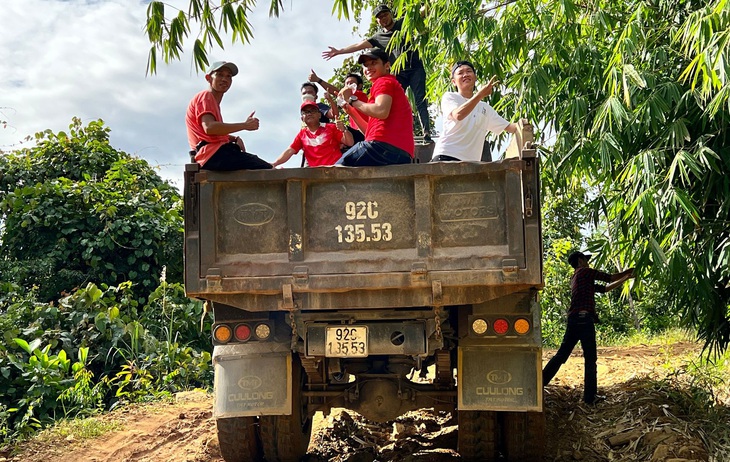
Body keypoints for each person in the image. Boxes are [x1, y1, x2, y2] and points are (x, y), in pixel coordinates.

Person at [323, 4, 432, 143]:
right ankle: (393, 134)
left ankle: (426, 134)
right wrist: (339, 51)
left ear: (391, 14)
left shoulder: (403, 22)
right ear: (377, 21)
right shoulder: (378, 37)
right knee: (391, 103)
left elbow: (422, 11)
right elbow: (358, 45)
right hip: (399, 73)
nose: (383, 18)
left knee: (420, 100)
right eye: (380, 17)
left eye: (385, 14)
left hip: (416, 68)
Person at [542, 251, 635, 405]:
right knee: (590, 359)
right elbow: (610, 278)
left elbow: (605, 289)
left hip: (574, 319)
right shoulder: (585, 272)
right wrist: (630, 271)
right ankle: (590, 398)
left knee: (562, 354)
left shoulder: (577, 277)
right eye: (586, 259)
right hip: (585, 320)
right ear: (580, 260)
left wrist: (625, 278)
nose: (588, 262)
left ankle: (541, 382)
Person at [186, 61, 272, 171]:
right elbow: (209, 128)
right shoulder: (206, 97)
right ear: (208, 78)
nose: (224, 79)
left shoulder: (212, 103)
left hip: (212, 155)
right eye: (220, 75)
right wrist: (245, 125)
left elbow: (211, 133)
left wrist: (234, 138)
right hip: (212, 155)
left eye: (228, 76)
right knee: (267, 169)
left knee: (255, 163)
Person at [335, 49, 414, 166]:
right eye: (366, 65)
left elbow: (381, 111)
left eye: (373, 63)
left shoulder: (383, 82)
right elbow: (368, 133)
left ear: (387, 66)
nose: (368, 68)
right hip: (400, 153)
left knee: (334, 170)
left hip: (382, 147)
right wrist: (352, 112)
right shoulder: (389, 84)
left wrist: (353, 100)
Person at [431, 61, 517, 162]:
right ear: (453, 82)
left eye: (469, 71)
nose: (465, 75)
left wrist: (524, 126)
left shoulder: (485, 109)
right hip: (447, 156)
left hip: (470, 164)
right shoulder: (451, 97)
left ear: (475, 77)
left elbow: (510, 127)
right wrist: (480, 95)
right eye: (460, 73)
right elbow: (458, 115)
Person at [272, 101, 354, 168]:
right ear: (302, 118)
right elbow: (290, 151)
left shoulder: (331, 127)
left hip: (335, 169)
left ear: (319, 115)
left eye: (313, 111)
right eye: (305, 112)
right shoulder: (302, 134)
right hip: (315, 175)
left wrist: (344, 130)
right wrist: (274, 164)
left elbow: (350, 142)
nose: (309, 114)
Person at [309, 69, 368, 143]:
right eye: (346, 84)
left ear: (359, 86)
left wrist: (318, 80)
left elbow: (336, 91)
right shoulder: (348, 100)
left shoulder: (359, 94)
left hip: (365, 132)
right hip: (357, 134)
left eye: (351, 83)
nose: (348, 86)